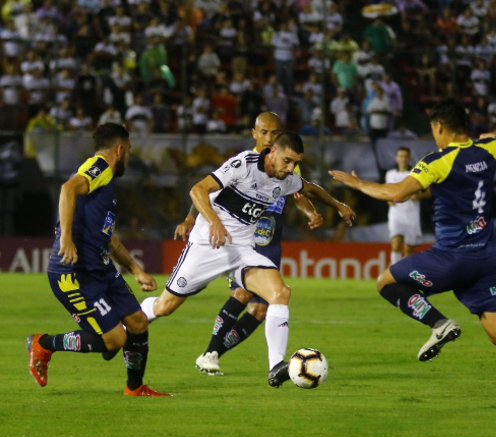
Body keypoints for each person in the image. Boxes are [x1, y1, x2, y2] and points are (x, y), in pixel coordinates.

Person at [330, 98, 496, 403]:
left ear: (440, 127)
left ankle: (439, 324)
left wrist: (358, 184)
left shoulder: (438, 161)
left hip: (451, 257)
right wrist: (492, 135)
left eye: (433, 129)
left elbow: (396, 193)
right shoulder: (488, 149)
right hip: (486, 259)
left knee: (386, 282)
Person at [140, 132, 354, 388]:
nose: (290, 168)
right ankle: (133, 317)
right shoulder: (244, 164)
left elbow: (310, 189)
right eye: (287, 160)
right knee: (165, 307)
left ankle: (276, 366)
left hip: (242, 250)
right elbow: (198, 190)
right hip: (208, 246)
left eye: (295, 162)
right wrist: (215, 223)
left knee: (280, 292)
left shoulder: (286, 178)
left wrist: (338, 205)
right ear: (273, 151)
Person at [27, 123, 170, 397]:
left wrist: (135, 268)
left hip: (101, 269)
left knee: (138, 322)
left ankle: (135, 387)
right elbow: (68, 189)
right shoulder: (101, 167)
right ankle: (42, 344)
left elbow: (107, 237)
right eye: (128, 150)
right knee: (115, 339)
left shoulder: (102, 185)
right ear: (119, 149)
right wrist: (66, 238)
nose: (128, 156)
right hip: (75, 272)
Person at [385, 147, 429, 264]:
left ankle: (405, 274)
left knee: (409, 249)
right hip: (396, 213)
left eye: (405, 156)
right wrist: (388, 199)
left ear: (409, 158)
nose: (403, 159)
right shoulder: (390, 174)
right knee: (395, 244)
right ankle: (394, 272)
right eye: (400, 156)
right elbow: (386, 191)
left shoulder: (415, 173)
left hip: (411, 215)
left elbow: (429, 192)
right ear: (396, 158)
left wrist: (418, 196)